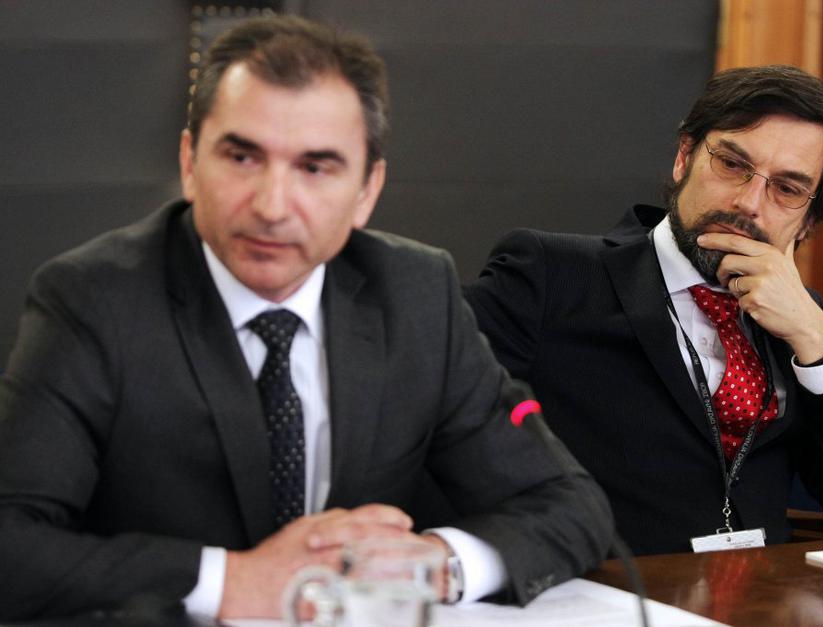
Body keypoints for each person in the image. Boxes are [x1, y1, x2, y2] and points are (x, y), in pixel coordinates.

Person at [0, 15, 612, 621]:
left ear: (367, 190)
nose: (272, 206)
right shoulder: (93, 299)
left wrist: (435, 564)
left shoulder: (416, 294)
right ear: (189, 162)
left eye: (315, 168)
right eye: (242, 157)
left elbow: (567, 504)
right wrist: (231, 580)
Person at [466, 65, 823, 556]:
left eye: (787, 189)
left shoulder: (801, 324)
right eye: (733, 164)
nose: (748, 202)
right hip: (609, 583)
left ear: (808, 222)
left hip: (763, 591)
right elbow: (444, 438)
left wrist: (817, 340)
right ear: (684, 158)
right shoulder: (551, 274)